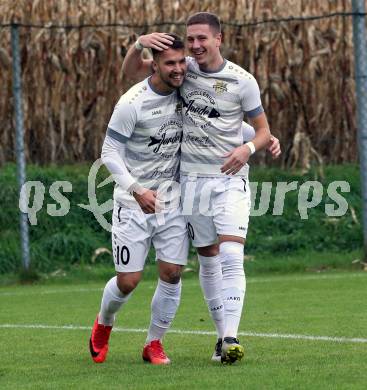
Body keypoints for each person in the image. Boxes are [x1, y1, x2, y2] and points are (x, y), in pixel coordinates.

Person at [122, 12, 277, 364]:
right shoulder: (182, 69)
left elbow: (263, 129)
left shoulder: (242, 80)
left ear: (218, 39)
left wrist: (248, 148)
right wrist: (138, 43)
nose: (195, 45)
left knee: (232, 254)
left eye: (202, 39)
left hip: (230, 181)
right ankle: (222, 340)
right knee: (207, 258)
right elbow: (132, 74)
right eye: (190, 39)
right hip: (191, 183)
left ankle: (230, 336)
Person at [89, 34, 189, 365]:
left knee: (172, 272)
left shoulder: (188, 90)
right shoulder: (132, 103)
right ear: (154, 65)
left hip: (172, 201)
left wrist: (258, 136)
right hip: (133, 202)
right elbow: (109, 152)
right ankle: (104, 323)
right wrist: (137, 189)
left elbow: (220, 118)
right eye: (170, 63)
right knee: (129, 281)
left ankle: (154, 343)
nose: (178, 69)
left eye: (181, 61)